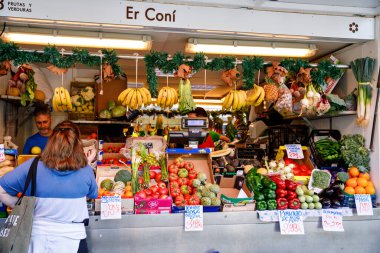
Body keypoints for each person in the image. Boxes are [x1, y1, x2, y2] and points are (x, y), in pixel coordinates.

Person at [0, 120, 98, 253]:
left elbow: (1, 191)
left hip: (36, 240)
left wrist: (23, 206)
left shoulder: (33, 166)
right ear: (77, 145)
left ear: (51, 142)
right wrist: (87, 163)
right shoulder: (85, 170)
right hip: (74, 240)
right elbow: (93, 194)